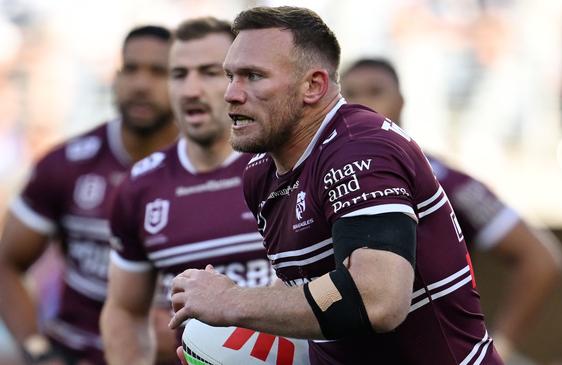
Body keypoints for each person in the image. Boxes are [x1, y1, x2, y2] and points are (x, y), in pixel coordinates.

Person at [169, 6, 503, 365]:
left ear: (313, 86)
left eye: (253, 76)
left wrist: (230, 302)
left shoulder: (362, 148)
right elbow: (303, 295)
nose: (231, 94)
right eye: (230, 75)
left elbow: (379, 300)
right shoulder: (261, 174)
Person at [340, 57, 562, 361]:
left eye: (375, 91)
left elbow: (541, 260)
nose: (364, 104)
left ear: (401, 102)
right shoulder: (311, 180)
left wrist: (499, 347)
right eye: (352, 94)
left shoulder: (441, 179)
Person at [100, 17, 279, 365]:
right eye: (179, 74)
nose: (190, 90)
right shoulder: (141, 186)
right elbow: (124, 310)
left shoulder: (284, 166)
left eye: (210, 72)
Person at [0, 25, 179, 365]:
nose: (141, 84)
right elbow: (6, 263)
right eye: (131, 69)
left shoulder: (215, 172)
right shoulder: (67, 164)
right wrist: (39, 352)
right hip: (77, 351)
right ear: (116, 77)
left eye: (159, 72)